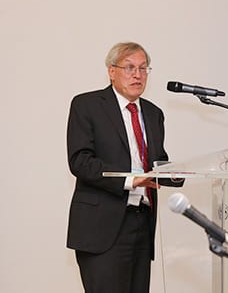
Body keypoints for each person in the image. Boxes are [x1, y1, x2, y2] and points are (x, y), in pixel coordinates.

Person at [66, 42, 184, 293]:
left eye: (143, 68)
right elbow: (80, 160)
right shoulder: (87, 105)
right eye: (129, 68)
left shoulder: (153, 113)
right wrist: (131, 180)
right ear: (112, 71)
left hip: (141, 224)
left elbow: (156, 161)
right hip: (102, 228)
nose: (137, 75)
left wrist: (180, 172)